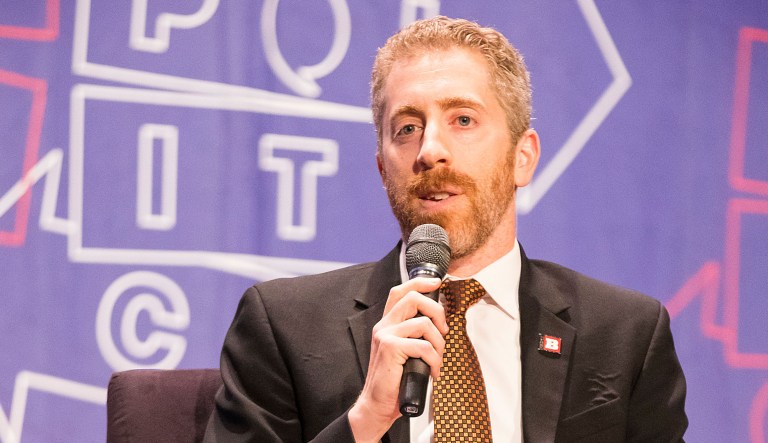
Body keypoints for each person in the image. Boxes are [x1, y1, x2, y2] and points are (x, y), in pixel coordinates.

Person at [204, 16, 687, 442]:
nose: (430, 149)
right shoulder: (284, 326)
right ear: (382, 168)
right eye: (407, 128)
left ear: (523, 157)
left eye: (462, 119)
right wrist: (366, 420)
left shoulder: (625, 334)